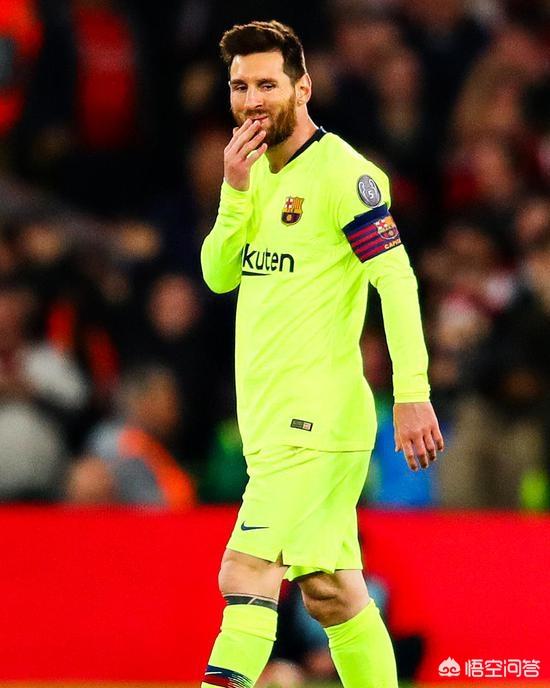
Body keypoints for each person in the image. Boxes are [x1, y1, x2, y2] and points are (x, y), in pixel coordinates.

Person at [199, 20, 444, 688]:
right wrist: (234, 190)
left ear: (302, 88)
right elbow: (218, 274)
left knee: (246, 570)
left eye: (267, 84)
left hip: (315, 420)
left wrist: (412, 393)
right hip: (272, 420)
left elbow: (395, 280)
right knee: (333, 592)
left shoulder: (345, 176)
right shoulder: (250, 174)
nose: (252, 100)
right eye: (240, 86)